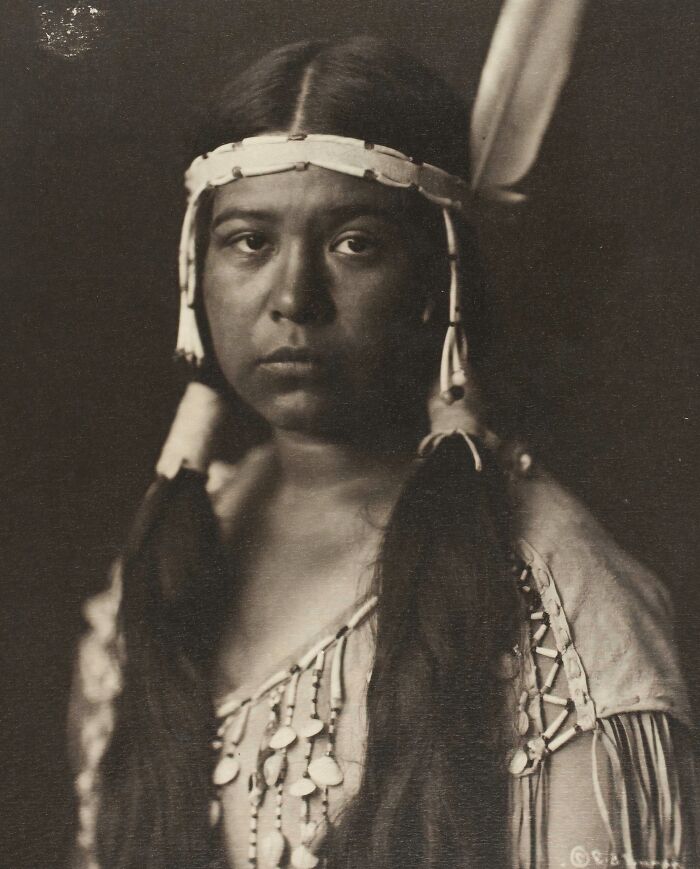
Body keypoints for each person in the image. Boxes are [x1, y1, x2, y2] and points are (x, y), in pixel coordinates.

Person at [69, 37, 696, 869]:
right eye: (249, 241)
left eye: (354, 243)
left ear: (439, 279)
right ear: (196, 272)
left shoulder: (558, 595)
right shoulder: (160, 566)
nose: (293, 298)